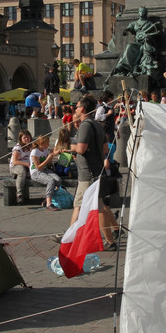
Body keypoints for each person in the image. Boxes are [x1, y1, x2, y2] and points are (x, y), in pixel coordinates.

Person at [70, 95, 119, 248]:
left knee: (78, 207)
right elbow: (105, 149)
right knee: (100, 208)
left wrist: (70, 147)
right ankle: (110, 241)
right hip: (98, 172)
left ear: (83, 109)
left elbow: (81, 149)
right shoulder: (98, 125)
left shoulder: (85, 125)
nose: (75, 109)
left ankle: (71, 239)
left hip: (87, 174)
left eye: (77, 106)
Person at [30, 134, 63, 210]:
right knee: (50, 181)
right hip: (36, 172)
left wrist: (53, 155)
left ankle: (47, 198)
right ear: (42, 144)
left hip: (45, 170)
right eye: (47, 143)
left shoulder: (45, 150)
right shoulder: (35, 152)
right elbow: (38, 167)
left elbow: (48, 163)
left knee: (58, 180)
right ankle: (49, 204)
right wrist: (48, 159)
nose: (48, 144)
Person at [10, 130, 33, 205]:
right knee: (22, 171)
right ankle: (19, 194)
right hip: (16, 167)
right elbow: (15, 161)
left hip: (28, 167)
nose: (26, 139)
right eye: (24, 138)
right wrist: (27, 164)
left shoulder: (31, 146)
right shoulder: (18, 148)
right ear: (21, 139)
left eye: (28, 137)